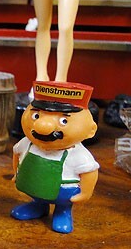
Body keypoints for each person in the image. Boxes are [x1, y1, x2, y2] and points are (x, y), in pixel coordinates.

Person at [12, 81, 99, 233]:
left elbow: (89, 173)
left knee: (63, 203)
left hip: (63, 192)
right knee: (37, 198)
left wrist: (85, 193)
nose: (43, 127)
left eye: (64, 121)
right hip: (32, 185)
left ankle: (62, 212)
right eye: (36, 115)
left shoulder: (77, 154)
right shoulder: (27, 143)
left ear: (91, 130)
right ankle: (38, 206)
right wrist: (16, 173)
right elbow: (16, 154)